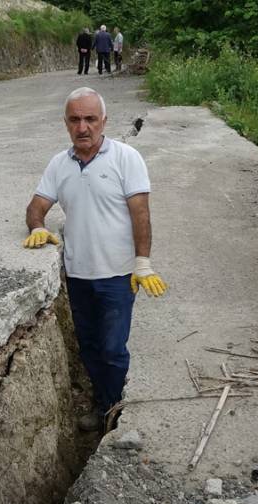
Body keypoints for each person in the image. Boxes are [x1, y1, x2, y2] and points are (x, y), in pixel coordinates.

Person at [22, 87, 168, 432]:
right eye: (75, 119)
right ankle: (102, 401)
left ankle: (114, 409)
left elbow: (141, 214)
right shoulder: (59, 164)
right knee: (88, 347)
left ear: (104, 121)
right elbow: (36, 206)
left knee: (112, 348)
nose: (83, 127)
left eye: (90, 119)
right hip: (78, 274)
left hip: (118, 276)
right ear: (66, 123)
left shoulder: (125, 158)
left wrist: (142, 262)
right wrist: (38, 227)